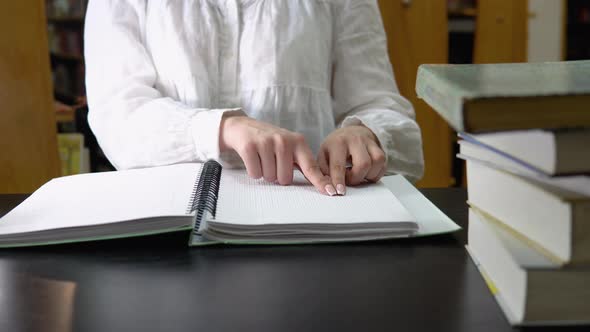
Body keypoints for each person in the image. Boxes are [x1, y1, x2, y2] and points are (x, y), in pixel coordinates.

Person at [84, 0, 424, 196]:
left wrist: (365, 132)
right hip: (166, 230)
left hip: (311, 225)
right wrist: (220, 128)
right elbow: (116, 111)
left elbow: (380, 104)